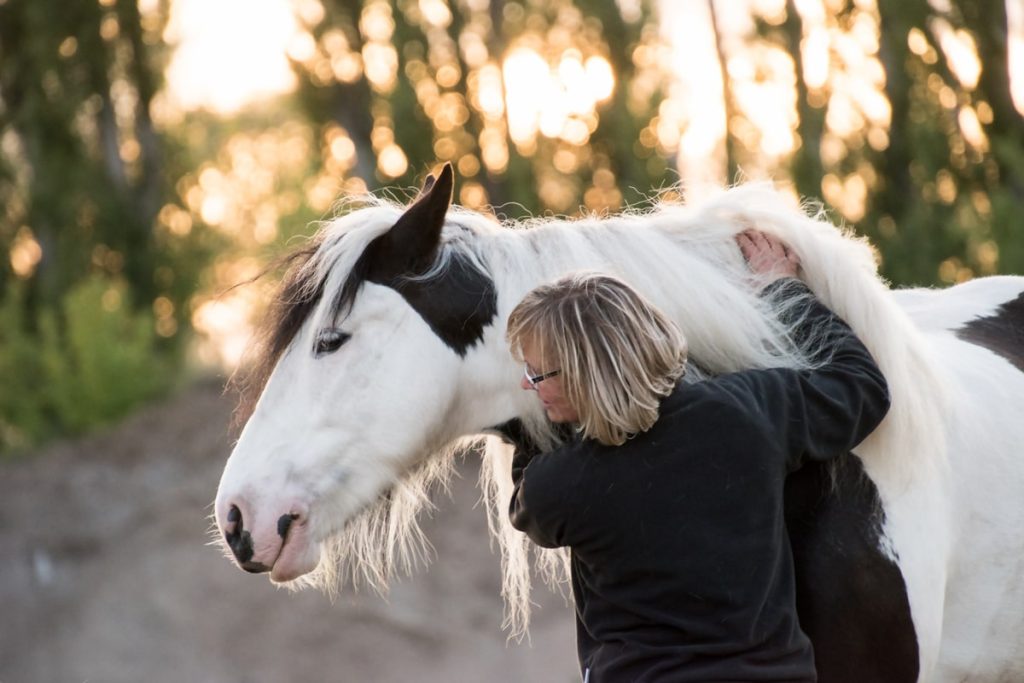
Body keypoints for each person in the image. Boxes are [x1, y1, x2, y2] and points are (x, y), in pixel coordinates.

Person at [501, 231, 891, 682]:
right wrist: (784, 293)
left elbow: (527, 502)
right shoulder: (747, 411)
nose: (527, 384)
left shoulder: (559, 487)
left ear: (585, 375)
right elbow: (861, 386)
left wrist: (547, 423)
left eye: (537, 373)